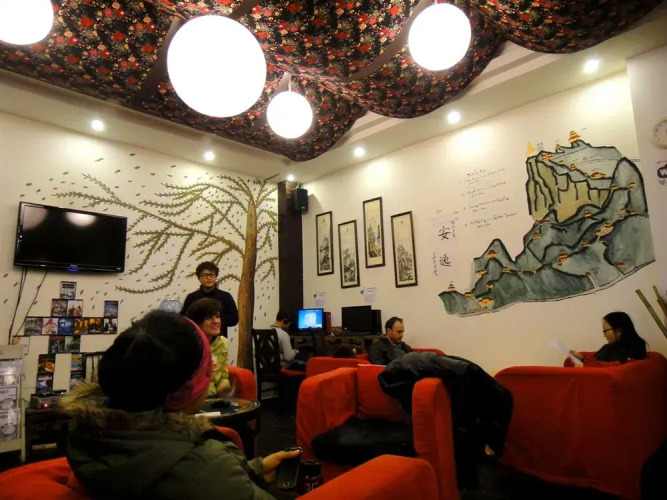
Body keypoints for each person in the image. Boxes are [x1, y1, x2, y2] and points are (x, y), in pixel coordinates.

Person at [63, 310, 300, 499]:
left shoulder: (88, 436)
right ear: (188, 389)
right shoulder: (208, 468)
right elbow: (206, 477)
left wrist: (255, 469)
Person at [185, 298, 232, 397]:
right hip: (194, 398)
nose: (215, 321)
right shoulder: (189, 345)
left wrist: (224, 388)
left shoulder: (222, 343)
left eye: (217, 316)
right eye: (208, 318)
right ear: (197, 323)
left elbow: (223, 376)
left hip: (214, 398)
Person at [181, 261, 238, 338]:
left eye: (212, 275)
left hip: (219, 339)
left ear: (216, 277)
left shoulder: (226, 296)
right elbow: (185, 319)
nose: (209, 278)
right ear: (199, 278)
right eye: (205, 275)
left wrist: (214, 320)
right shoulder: (191, 297)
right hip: (197, 339)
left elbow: (234, 319)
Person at [570, 311, 648, 366]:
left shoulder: (617, 351)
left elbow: (602, 367)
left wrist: (584, 362)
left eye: (605, 330)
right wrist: (582, 359)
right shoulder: (639, 344)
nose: (604, 335)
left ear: (618, 331)